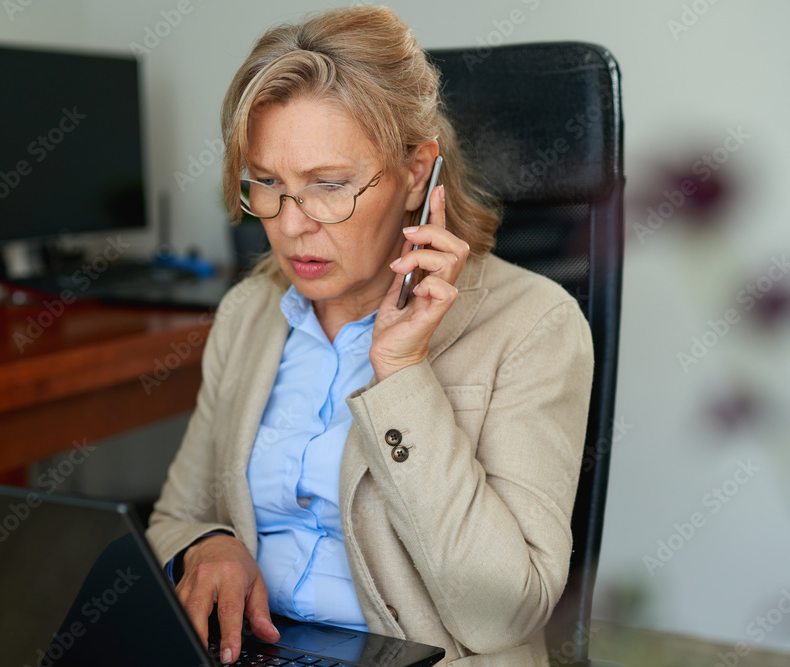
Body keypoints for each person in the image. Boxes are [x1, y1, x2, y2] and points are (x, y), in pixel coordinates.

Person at [146, 6, 594, 665]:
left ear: (417, 173)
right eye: (267, 184)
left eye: (329, 186)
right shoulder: (250, 311)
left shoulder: (534, 325)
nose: (292, 224)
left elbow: (504, 610)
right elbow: (171, 517)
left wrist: (403, 369)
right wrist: (209, 542)